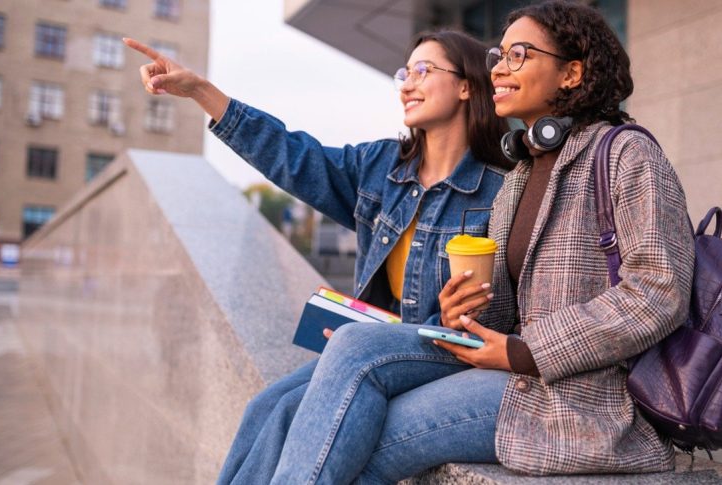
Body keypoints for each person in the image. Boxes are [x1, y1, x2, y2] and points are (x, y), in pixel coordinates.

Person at [246, 1, 696, 483]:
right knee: (349, 363)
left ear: (571, 73)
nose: (499, 68)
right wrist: (463, 309)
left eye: (518, 55)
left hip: (578, 399)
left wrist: (526, 352)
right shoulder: (522, 173)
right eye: (498, 56)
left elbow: (658, 293)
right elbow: (506, 311)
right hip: (516, 375)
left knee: (354, 434)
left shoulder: (628, 153)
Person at [124, 29, 511, 484]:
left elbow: (510, 300)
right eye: (404, 73)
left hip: (451, 350)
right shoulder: (382, 168)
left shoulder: (499, 189)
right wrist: (202, 92)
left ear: (466, 86)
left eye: (423, 71)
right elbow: (293, 156)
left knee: (296, 406)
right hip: (382, 344)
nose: (407, 84)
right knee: (267, 406)